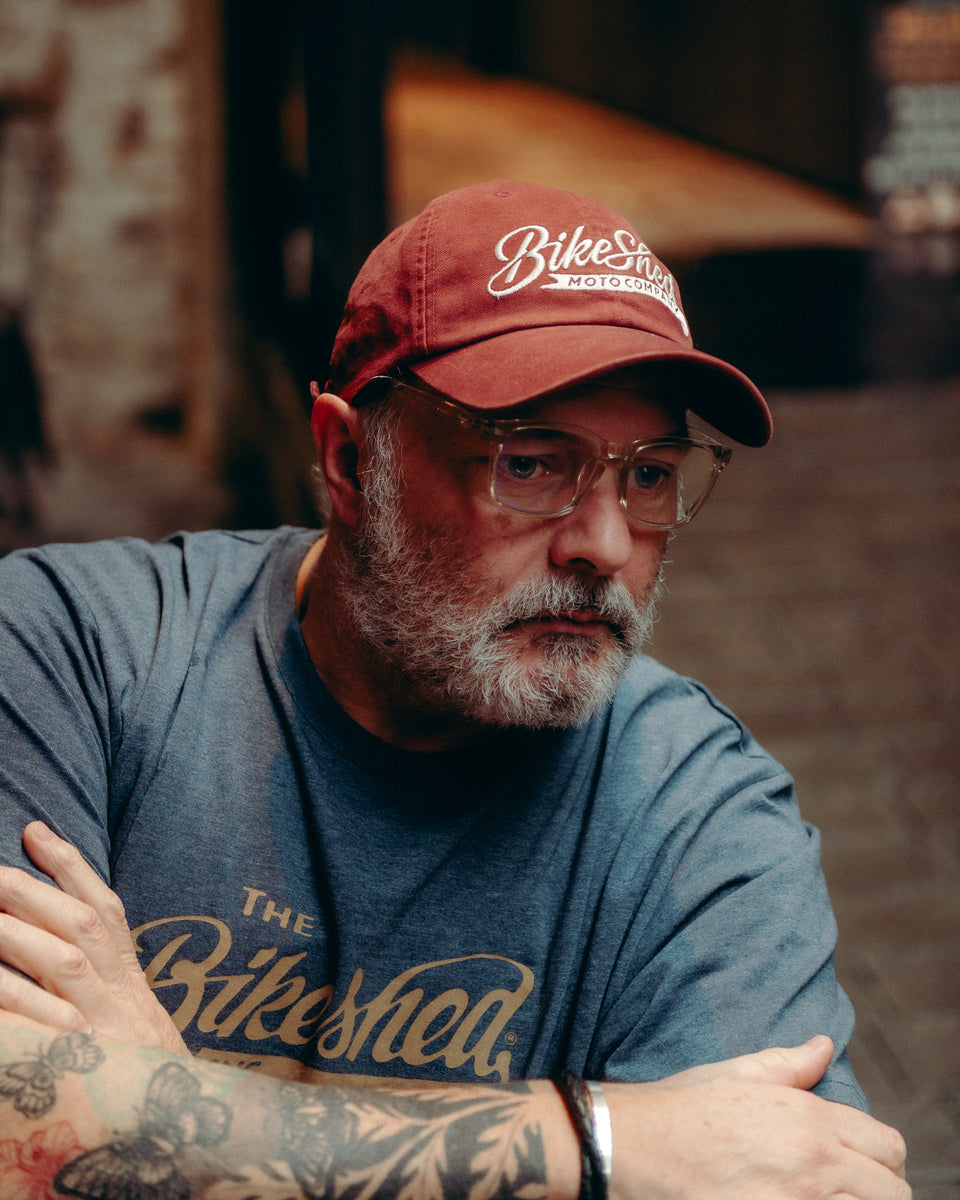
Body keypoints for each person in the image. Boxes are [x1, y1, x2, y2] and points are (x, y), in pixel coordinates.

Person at [0, 180, 908, 1199]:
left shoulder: (701, 816)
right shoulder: (69, 655)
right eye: (531, 464)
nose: (605, 544)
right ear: (350, 462)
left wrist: (157, 1104)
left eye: (649, 476)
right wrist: (598, 1147)